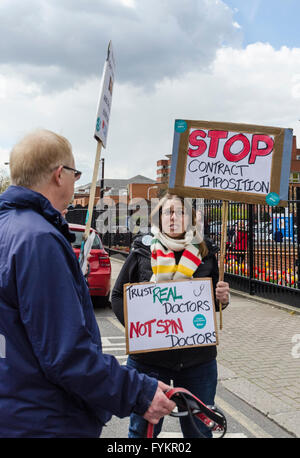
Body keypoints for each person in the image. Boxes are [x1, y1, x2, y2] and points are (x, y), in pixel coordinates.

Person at [0, 129, 175, 438]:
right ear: (59, 175)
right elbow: (65, 353)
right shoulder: (38, 239)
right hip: (44, 419)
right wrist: (138, 392)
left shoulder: (9, 229)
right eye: (74, 172)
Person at [111, 194, 230, 438]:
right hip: (149, 361)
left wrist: (222, 301)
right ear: (159, 218)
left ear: (190, 219)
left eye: (181, 212)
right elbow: (117, 296)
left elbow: (209, 306)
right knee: (143, 430)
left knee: (199, 430)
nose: (174, 217)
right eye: (168, 212)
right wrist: (140, 330)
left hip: (198, 361)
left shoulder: (205, 253)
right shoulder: (142, 250)